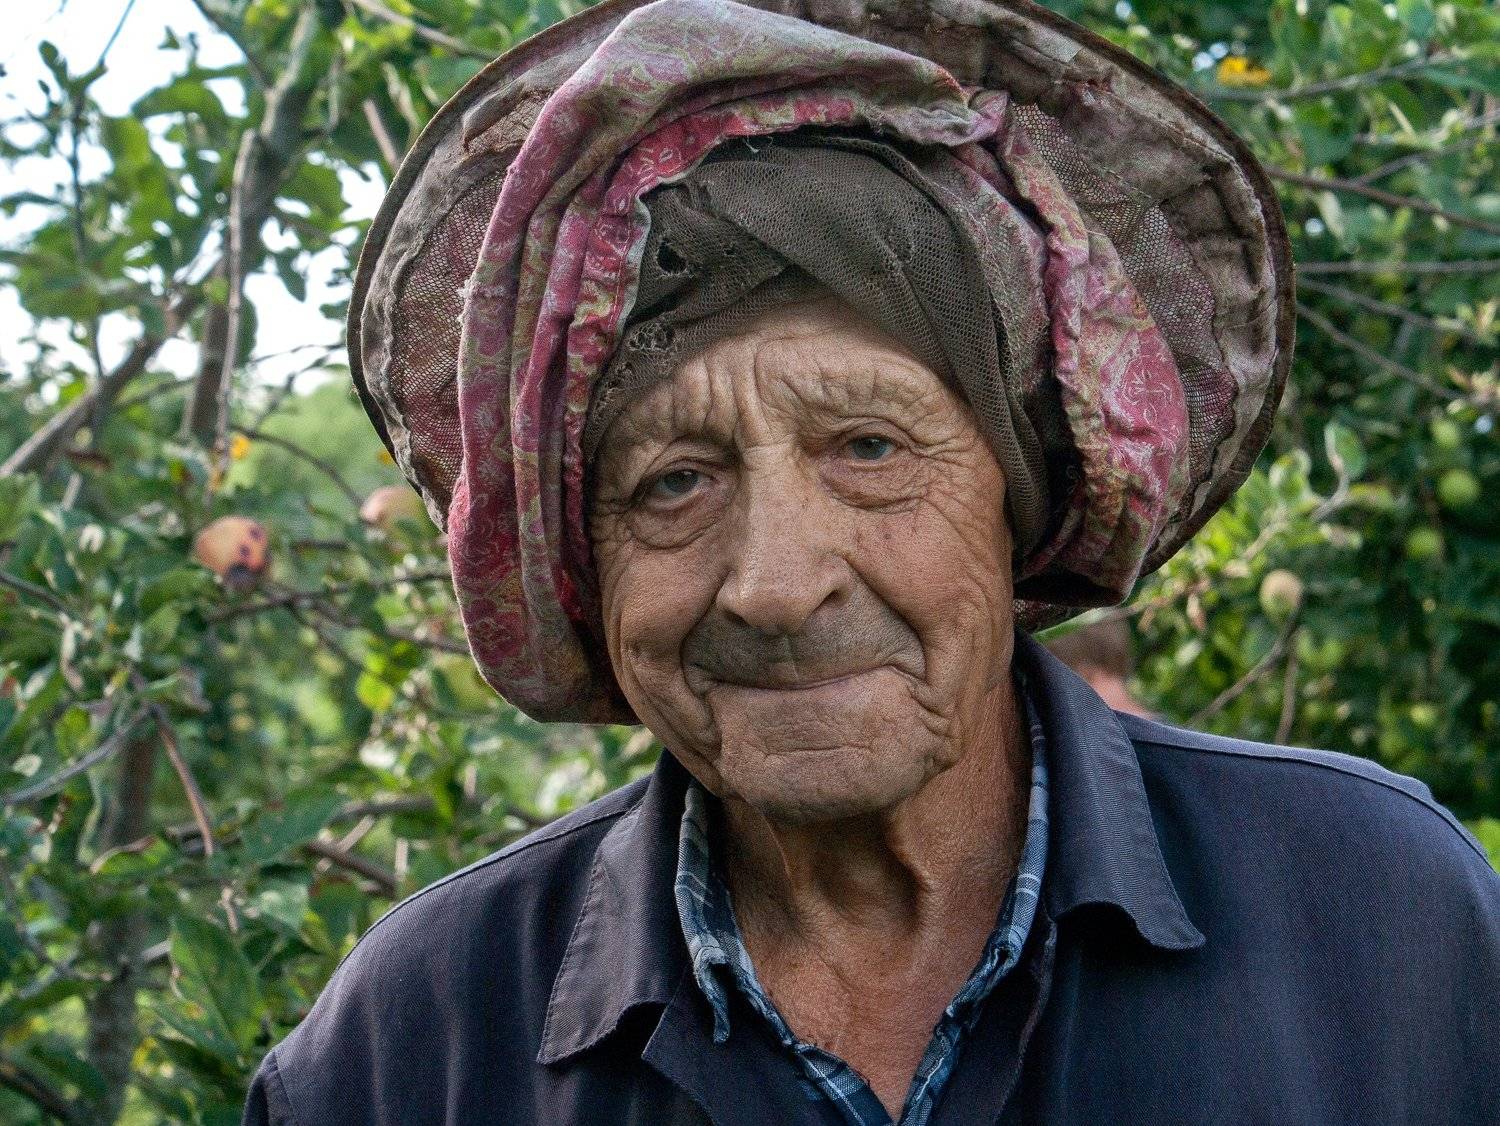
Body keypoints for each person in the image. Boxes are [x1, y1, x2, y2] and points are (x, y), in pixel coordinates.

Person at [243, 1, 1499, 1123]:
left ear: (1019, 497)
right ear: (588, 566)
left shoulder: (1385, 916)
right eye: (673, 483)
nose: (777, 585)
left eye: (869, 448)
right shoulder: (409, 1050)